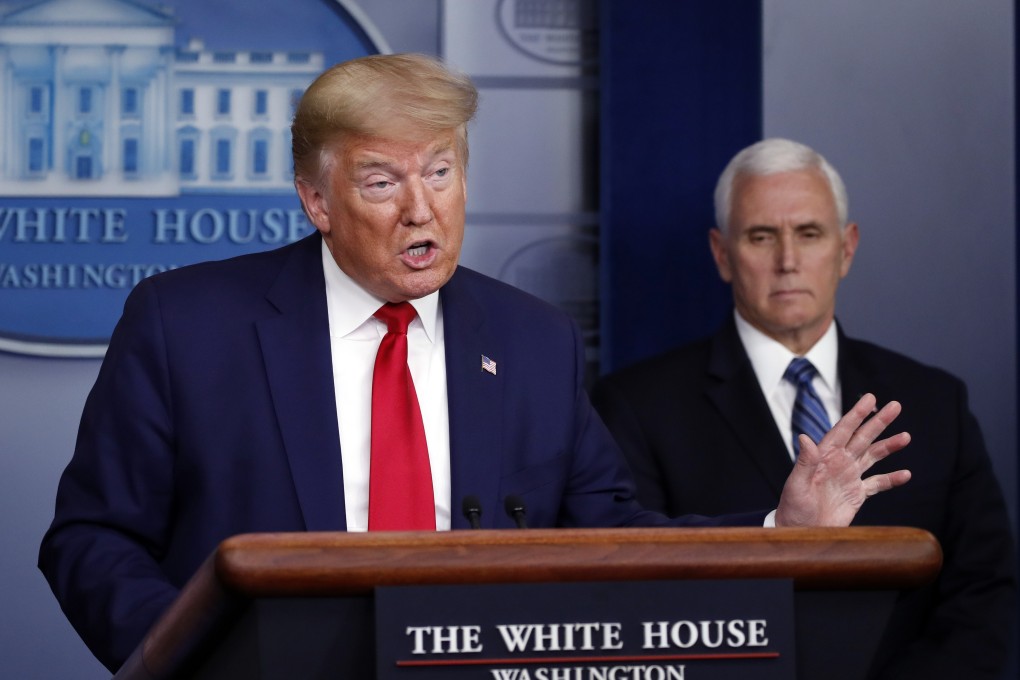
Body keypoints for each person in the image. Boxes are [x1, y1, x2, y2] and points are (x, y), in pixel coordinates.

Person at [39, 60, 909, 673]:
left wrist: (778, 531)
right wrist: (191, 658)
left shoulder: (531, 338)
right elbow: (92, 539)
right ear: (317, 200)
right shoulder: (188, 324)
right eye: (382, 182)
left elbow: (612, 540)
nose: (423, 208)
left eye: (443, 172)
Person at [592, 137, 1016, 680]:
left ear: (846, 248)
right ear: (722, 254)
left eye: (809, 234)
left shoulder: (935, 401)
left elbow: (982, 590)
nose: (787, 261)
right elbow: (641, 597)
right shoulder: (637, 405)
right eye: (761, 236)